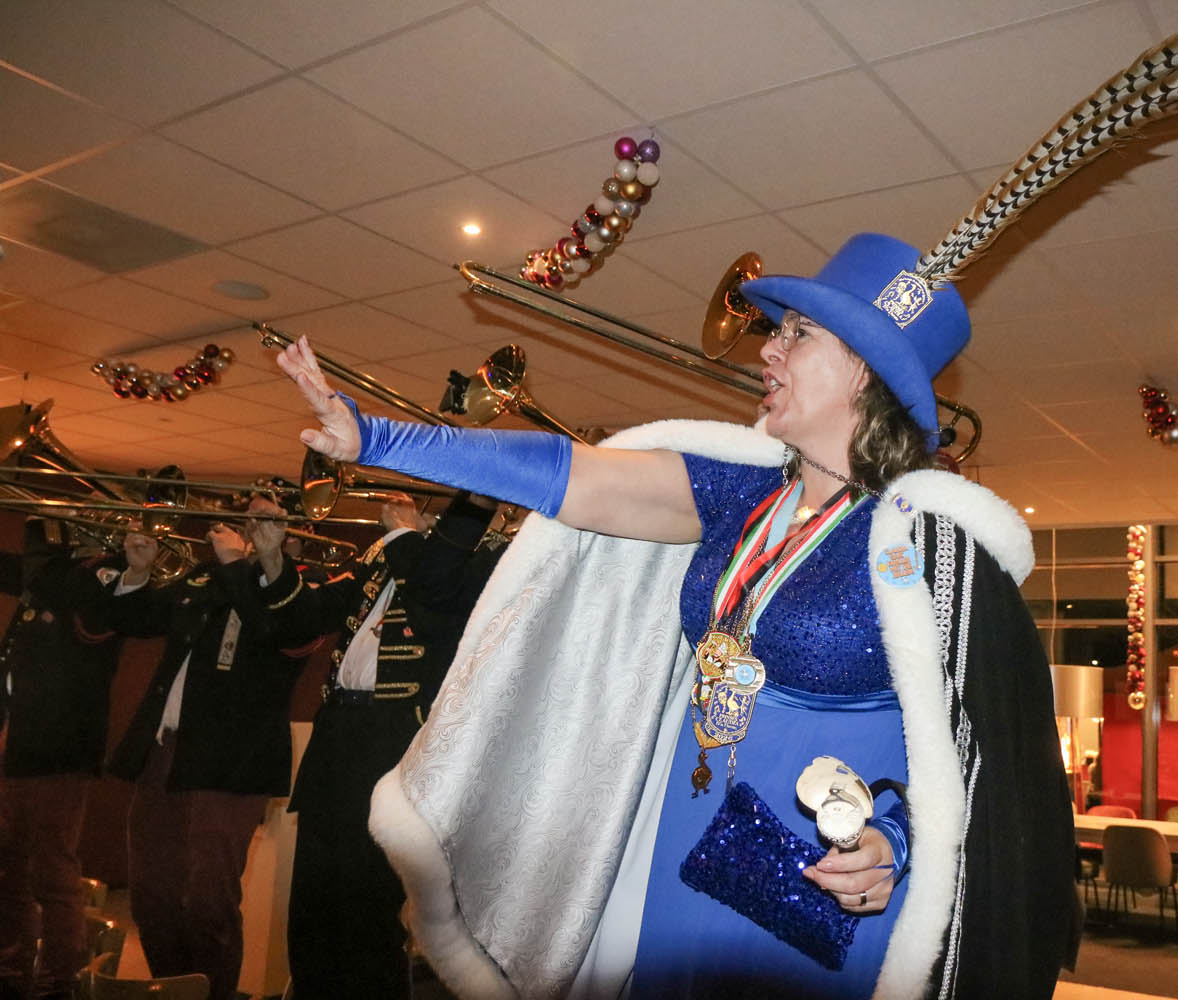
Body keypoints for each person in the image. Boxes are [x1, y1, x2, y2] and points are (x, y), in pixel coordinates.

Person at [278, 232, 1079, 999]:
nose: (768, 350)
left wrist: (895, 840)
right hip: (688, 831)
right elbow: (572, 476)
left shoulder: (926, 545)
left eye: (798, 334)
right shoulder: (744, 495)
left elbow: (979, 753)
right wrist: (375, 437)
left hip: (818, 875)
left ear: (865, 370)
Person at [282, 491, 502, 1000]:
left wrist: (405, 535)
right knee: (313, 905)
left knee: (366, 910)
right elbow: (303, 621)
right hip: (337, 735)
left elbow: (435, 606)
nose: (428, 512)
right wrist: (274, 560)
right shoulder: (383, 558)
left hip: (392, 743)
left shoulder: (488, 554)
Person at [106, 500, 323, 1000]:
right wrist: (137, 573)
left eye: (266, 517)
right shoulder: (207, 575)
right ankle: (172, 990)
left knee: (207, 901)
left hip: (231, 762)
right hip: (165, 751)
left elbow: (280, 632)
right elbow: (135, 620)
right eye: (250, 514)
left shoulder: (302, 588)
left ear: (292, 534)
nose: (250, 524)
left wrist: (238, 566)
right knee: (151, 896)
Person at [0, 520, 128, 1000]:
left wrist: (49, 534)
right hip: (19, 744)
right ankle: (12, 971)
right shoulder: (51, 579)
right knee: (10, 870)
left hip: (60, 750)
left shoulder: (98, 581)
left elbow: (51, 579)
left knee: (52, 872)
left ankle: (61, 980)